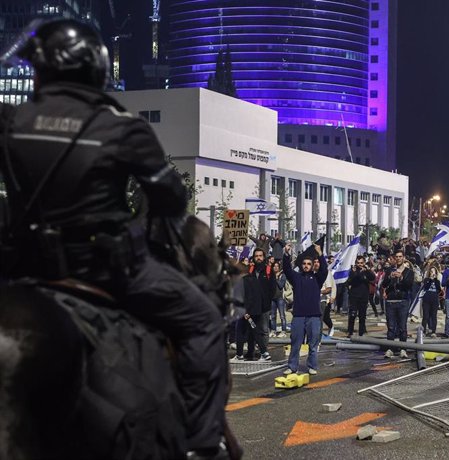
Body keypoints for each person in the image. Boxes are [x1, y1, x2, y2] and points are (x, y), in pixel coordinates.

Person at [0, 19, 226, 459]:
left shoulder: (11, 120)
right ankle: (202, 445)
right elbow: (171, 199)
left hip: (19, 266)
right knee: (204, 322)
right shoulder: (122, 127)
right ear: (96, 70)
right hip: (105, 269)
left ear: (41, 71)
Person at [282, 243, 327, 375]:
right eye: (304, 263)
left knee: (313, 344)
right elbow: (287, 270)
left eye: (309, 263)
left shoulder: (317, 278)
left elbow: (324, 270)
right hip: (299, 316)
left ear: (312, 265)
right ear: (301, 265)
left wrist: (320, 253)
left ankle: (312, 366)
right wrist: (286, 254)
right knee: (295, 344)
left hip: (314, 316)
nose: (306, 265)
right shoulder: (296, 278)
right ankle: (292, 366)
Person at [381, 250, 414, 358]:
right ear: (395, 258)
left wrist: (401, 277)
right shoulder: (389, 270)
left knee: (402, 327)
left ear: (404, 258)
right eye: (397, 257)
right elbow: (384, 284)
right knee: (391, 327)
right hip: (391, 301)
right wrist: (390, 277)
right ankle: (390, 348)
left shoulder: (409, 271)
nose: (398, 258)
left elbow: (409, 286)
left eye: (400, 256)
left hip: (403, 301)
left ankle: (403, 348)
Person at [345, 255, 375, 337]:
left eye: (361, 263)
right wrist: (355, 273)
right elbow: (349, 281)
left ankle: (361, 333)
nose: (360, 264)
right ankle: (350, 331)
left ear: (364, 263)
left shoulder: (366, 271)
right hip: (354, 296)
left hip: (363, 297)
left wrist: (367, 271)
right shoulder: (353, 271)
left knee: (362, 316)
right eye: (358, 263)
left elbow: (372, 277)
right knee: (352, 315)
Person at [315, 256, 335, 339]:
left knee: (321, 319)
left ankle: (317, 341)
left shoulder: (326, 273)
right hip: (311, 301)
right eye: (314, 262)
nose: (316, 264)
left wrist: (333, 296)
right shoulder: (311, 273)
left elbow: (331, 287)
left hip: (322, 300)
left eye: (318, 262)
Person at [421, 266, 442, 337]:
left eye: (434, 271)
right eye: (431, 271)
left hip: (434, 299)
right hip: (427, 298)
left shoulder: (437, 281)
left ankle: (433, 331)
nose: (432, 273)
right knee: (425, 316)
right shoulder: (426, 279)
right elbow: (425, 287)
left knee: (434, 316)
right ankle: (423, 331)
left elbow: (439, 289)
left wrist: (435, 279)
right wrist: (430, 280)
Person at [269, 261, 288, 337]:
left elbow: (281, 285)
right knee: (273, 316)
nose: (276, 267)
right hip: (272, 298)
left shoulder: (282, 275)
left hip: (280, 298)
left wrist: (276, 278)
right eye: (274, 266)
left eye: (277, 266)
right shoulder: (270, 275)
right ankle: (273, 331)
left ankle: (283, 331)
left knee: (282, 315)